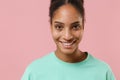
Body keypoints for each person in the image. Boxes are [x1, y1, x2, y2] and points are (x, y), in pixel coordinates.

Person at [21, 0, 116, 80]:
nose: (67, 36)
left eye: (75, 27)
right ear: (51, 26)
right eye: (59, 27)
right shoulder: (34, 73)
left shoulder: (103, 72)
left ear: (83, 25)